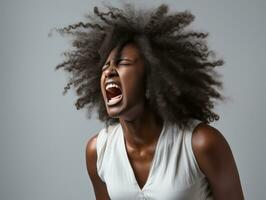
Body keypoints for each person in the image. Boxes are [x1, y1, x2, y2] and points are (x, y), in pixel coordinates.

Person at [55, 3, 244, 200]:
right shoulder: (98, 151)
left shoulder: (201, 143)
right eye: (105, 67)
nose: (109, 72)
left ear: (151, 78)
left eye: (123, 63)